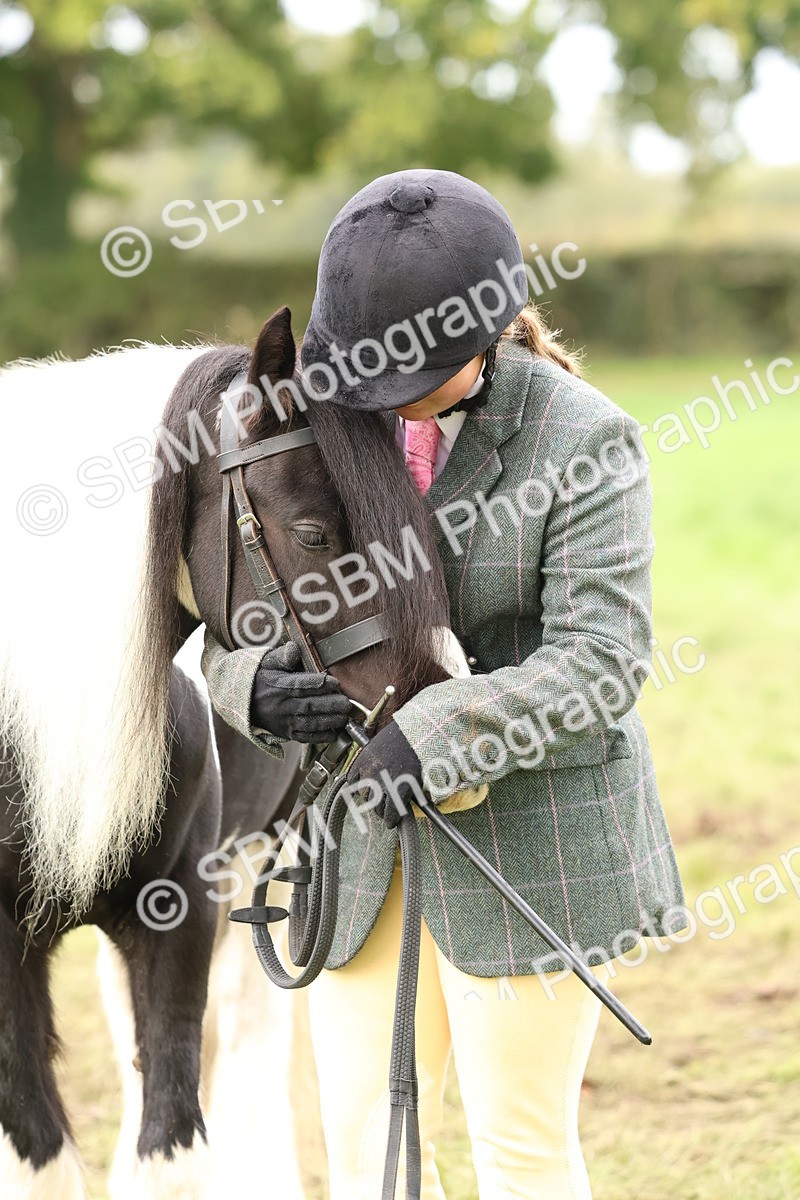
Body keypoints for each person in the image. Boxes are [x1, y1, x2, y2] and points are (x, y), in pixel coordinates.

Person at [201, 169, 685, 1199]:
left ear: (483, 335)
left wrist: (433, 732)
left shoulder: (584, 439)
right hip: (358, 841)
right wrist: (252, 683)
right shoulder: (323, 418)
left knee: (518, 1150)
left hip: (530, 838)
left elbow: (600, 660)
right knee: (364, 1142)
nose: (370, 407)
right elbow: (234, 609)